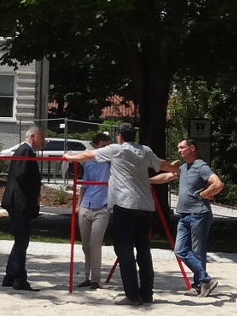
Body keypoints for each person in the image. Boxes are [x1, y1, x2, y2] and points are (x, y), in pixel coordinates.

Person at [66, 123, 173, 304]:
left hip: (125, 204)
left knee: (124, 250)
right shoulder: (145, 150)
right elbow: (161, 164)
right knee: (143, 250)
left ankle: (132, 295)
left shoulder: (116, 150)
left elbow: (88, 154)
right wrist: (175, 169)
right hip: (145, 206)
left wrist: (69, 157)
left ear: (120, 137)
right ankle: (146, 293)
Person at [168, 138, 224, 296]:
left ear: (192, 148)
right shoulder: (184, 168)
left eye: (182, 147)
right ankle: (205, 280)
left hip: (199, 214)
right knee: (180, 250)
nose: (179, 150)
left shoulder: (201, 166)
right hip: (185, 215)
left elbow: (217, 184)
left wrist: (204, 194)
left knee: (198, 251)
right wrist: (145, 181)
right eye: (178, 148)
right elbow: (167, 177)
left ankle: (199, 285)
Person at [0, 126, 45, 291]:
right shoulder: (25, 151)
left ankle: (10, 275)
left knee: (20, 240)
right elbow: (22, 176)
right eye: (42, 137)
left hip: (18, 201)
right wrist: (34, 195)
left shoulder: (24, 150)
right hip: (20, 202)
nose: (44, 141)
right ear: (33, 136)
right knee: (22, 240)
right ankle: (19, 278)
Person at [72, 133, 112, 289]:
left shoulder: (110, 162)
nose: (106, 149)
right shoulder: (89, 163)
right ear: (95, 146)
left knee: (95, 244)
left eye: (107, 146)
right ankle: (87, 276)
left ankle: (95, 278)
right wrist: (78, 204)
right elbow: (84, 185)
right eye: (103, 146)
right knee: (85, 245)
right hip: (86, 205)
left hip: (102, 207)